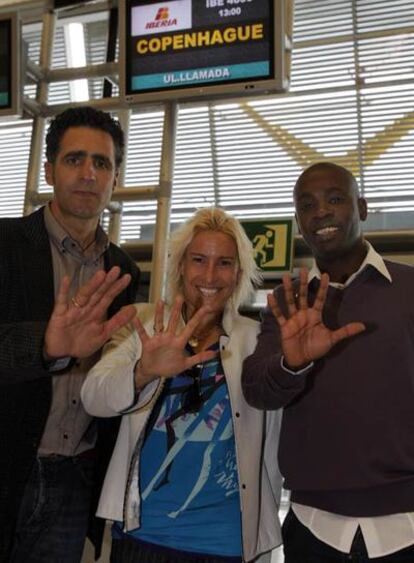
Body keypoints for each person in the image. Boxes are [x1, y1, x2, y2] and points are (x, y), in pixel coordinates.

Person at [81, 207, 283, 563]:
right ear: (180, 267)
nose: (209, 274)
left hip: (225, 542)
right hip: (142, 534)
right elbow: (93, 398)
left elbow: (278, 440)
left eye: (224, 263)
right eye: (198, 260)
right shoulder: (148, 327)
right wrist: (143, 370)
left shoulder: (256, 340)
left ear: (238, 274)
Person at [242, 161, 414, 562]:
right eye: (307, 205)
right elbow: (257, 390)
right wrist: (292, 363)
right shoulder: (287, 302)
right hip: (311, 526)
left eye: (335, 199)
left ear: (363, 208)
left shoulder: (410, 289)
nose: (320, 211)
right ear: (299, 222)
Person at [0, 106, 140, 563]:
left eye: (101, 163)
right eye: (74, 159)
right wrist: (46, 346)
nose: (88, 174)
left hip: (75, 477)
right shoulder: (5, 245)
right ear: (48, 171)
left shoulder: (123, 269)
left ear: (115, 179)